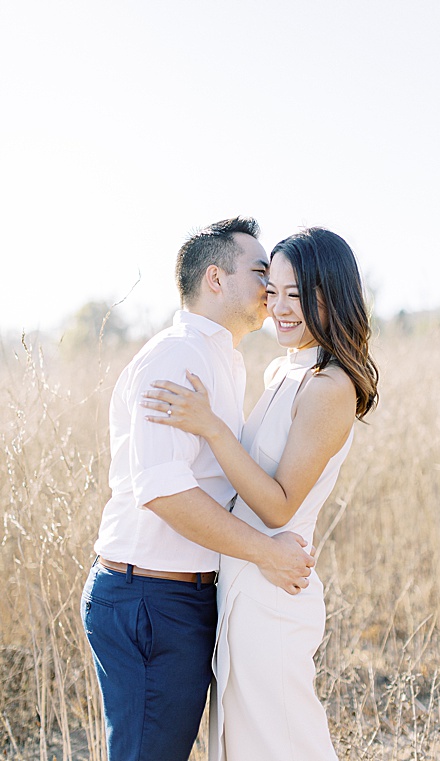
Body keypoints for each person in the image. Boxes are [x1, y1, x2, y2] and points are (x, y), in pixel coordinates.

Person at [80, 217, 317, 761]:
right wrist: (268, 553)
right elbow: (164, 493)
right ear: (216, 279)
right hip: (150, 598)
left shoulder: (224, 360)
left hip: (178, 596)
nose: (271, 288)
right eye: (260, 272)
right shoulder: (178, 357)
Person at [141, 227, 379, 760]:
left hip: (277, 586)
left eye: (299, 294)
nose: (281, 307)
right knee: (245, 743)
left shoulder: (329, 387)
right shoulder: (282, 370)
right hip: (243, 580)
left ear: (332, 294)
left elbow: (278, 502)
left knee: (286, 742)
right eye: (274, 290)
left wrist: (210, 427)